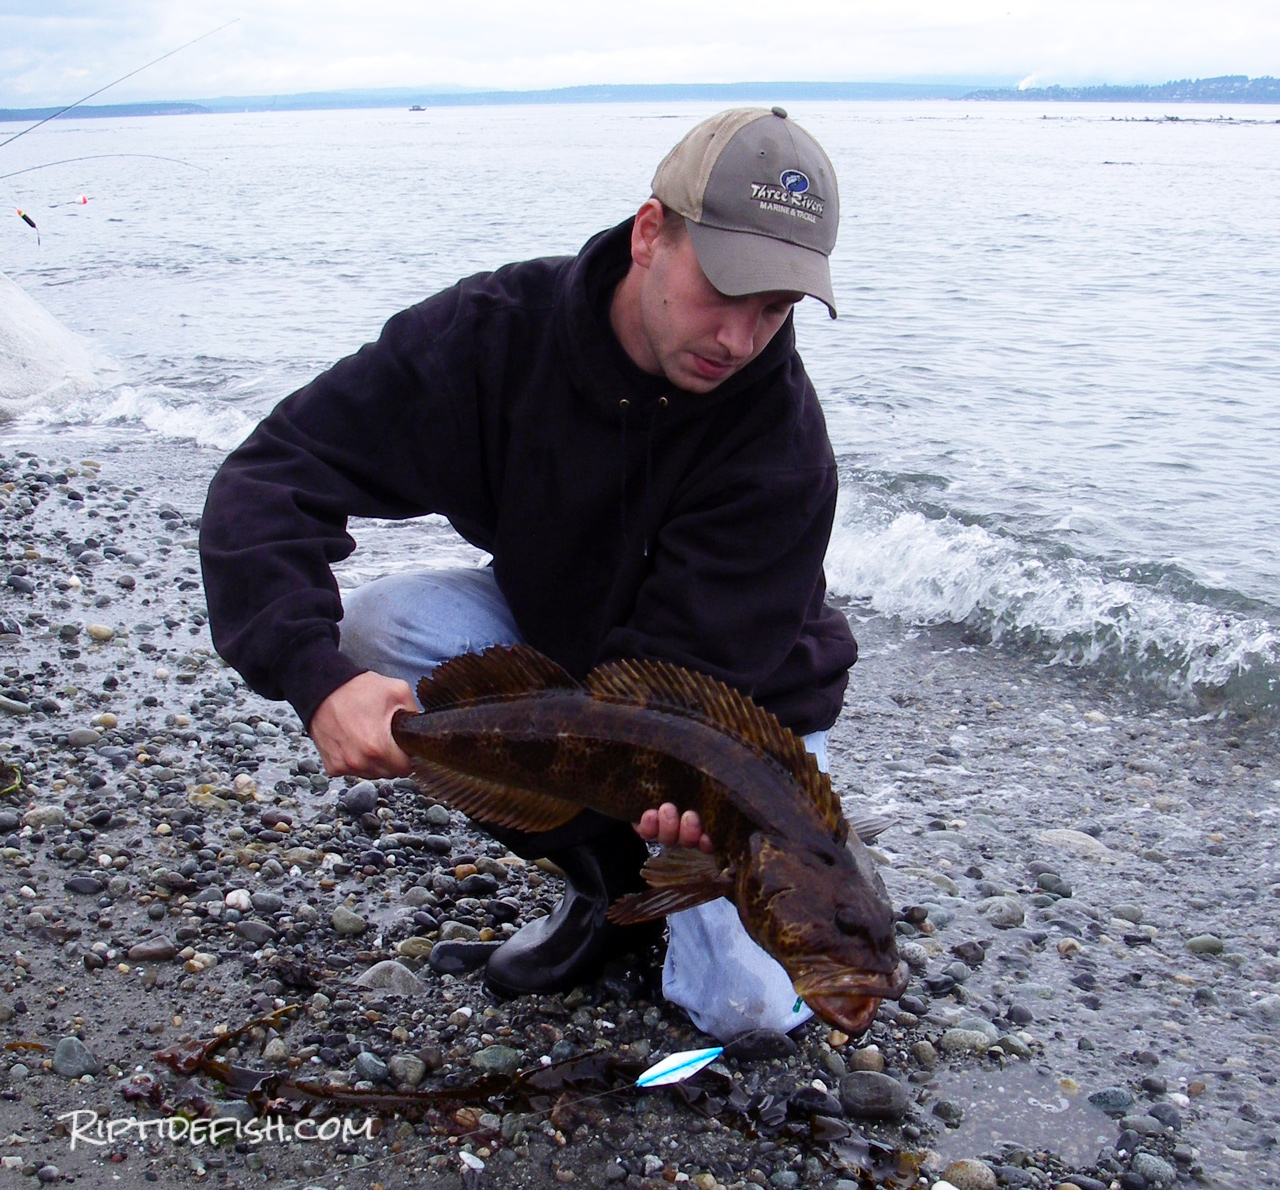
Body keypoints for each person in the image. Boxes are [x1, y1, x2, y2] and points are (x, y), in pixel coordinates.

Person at [199, 106, 858, 1040]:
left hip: (733, 719)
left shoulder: (780, 447)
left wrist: (668, 832)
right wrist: (315, 682)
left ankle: (701, 887)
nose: (742, 337)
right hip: (562, 644)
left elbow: (665, 714)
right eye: (726, 287)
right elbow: (271, 476)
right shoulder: (496, 335)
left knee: (745, 1012)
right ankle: (601, 893)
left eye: (778, 307)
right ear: (650, 233)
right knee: (378, 633)